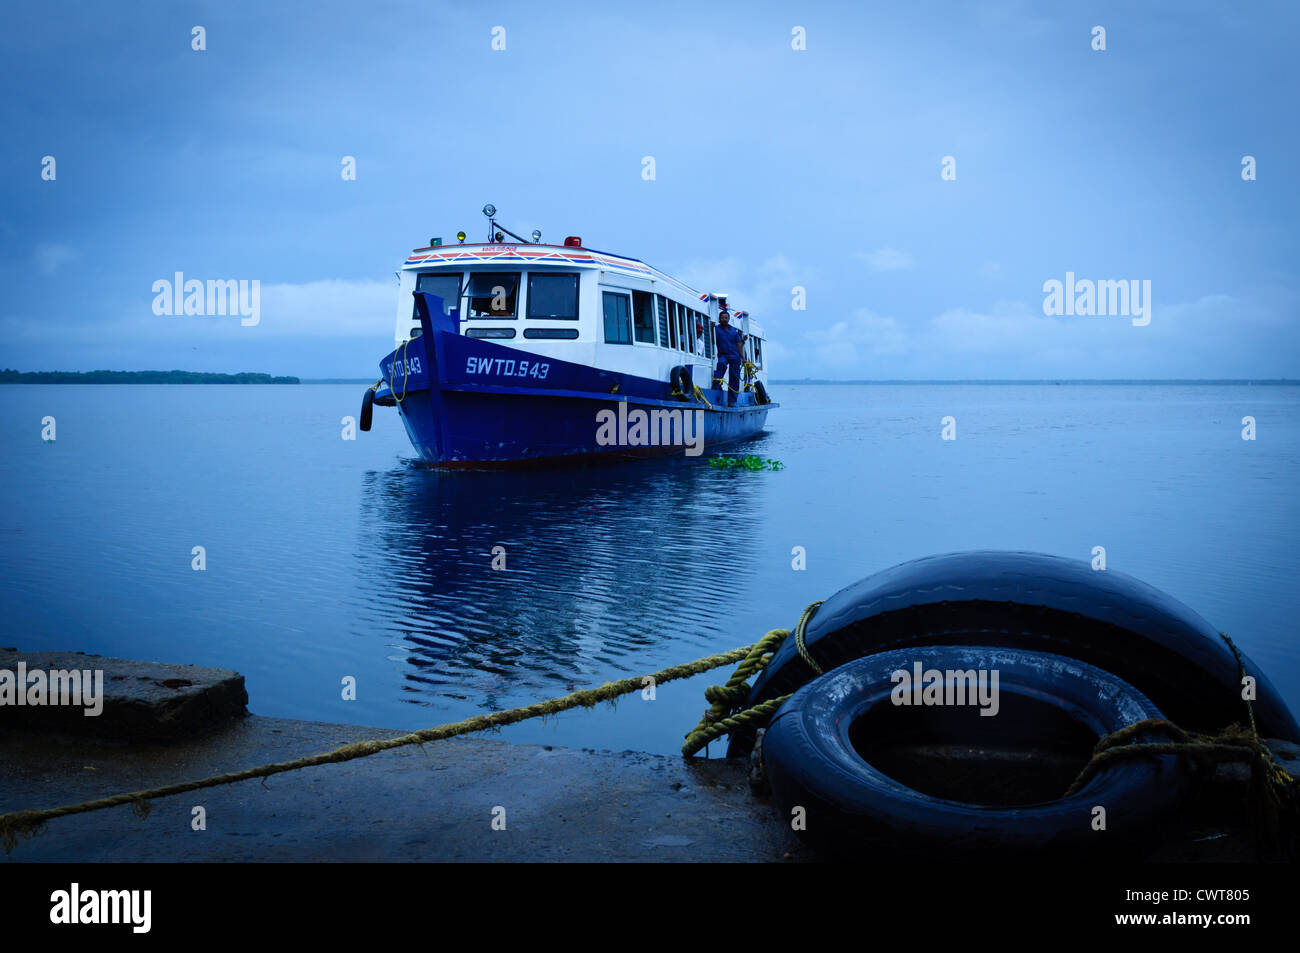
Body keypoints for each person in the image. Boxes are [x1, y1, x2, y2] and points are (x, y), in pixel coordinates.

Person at [713, 309, 744, 406]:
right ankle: (716, 389)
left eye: (726, 318)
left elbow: (739, 344)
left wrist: (743, 357)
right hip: (723, 354)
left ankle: (731, 401)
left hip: (734, 356)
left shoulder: (733, 330)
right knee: (721, 365)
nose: (724, 319)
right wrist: (711, 327)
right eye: (722, 318)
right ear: (719, 319)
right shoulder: (716, 329)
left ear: (729, 319)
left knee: (734, 377)